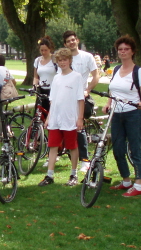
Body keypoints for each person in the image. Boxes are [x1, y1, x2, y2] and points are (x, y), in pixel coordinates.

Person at [105, 35, 141, 197]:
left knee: (134, 148)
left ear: (132, 52)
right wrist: (108, 103)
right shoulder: (116, 69)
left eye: (126, 49)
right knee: (117, 148)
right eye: (120, 49)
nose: (123, 52)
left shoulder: (139, 71)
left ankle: (138, 184)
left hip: (133, 114)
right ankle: (126, 180)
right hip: (116, 115)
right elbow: (113, 90)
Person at [38, 48, 85, 187]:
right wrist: (48, 117)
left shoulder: (76, 77)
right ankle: (49, 175)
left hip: (70, 117)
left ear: (70, 60)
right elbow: (53, 100)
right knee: (53, 146)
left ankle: (73, 173)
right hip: (56, 118)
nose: (62, 62)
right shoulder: (57, 78)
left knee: (72, 146)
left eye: (65, 60)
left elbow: (80, 99)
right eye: (60, 60)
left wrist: (80, 118)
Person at [62, 30, 99, 172]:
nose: (71, 42)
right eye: (68, 41)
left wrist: (87, 90)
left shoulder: (87, 57)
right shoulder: (64, 58)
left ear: (77, 40)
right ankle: (69, 157)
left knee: (79, 127)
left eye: (73, 39)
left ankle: (85, 160)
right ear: (65, 44)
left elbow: (96, 75)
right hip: (67, 98)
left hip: (81, 98)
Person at [33, 35, 57, 112]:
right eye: (42, 50)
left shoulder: (55, 59)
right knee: (40, 114)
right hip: (42, 91)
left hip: (53, 90)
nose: (43, 52)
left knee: (52, 113)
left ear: (50, 49)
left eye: (45, 50)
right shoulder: (37, 60)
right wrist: (35, 85)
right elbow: (36, 76)